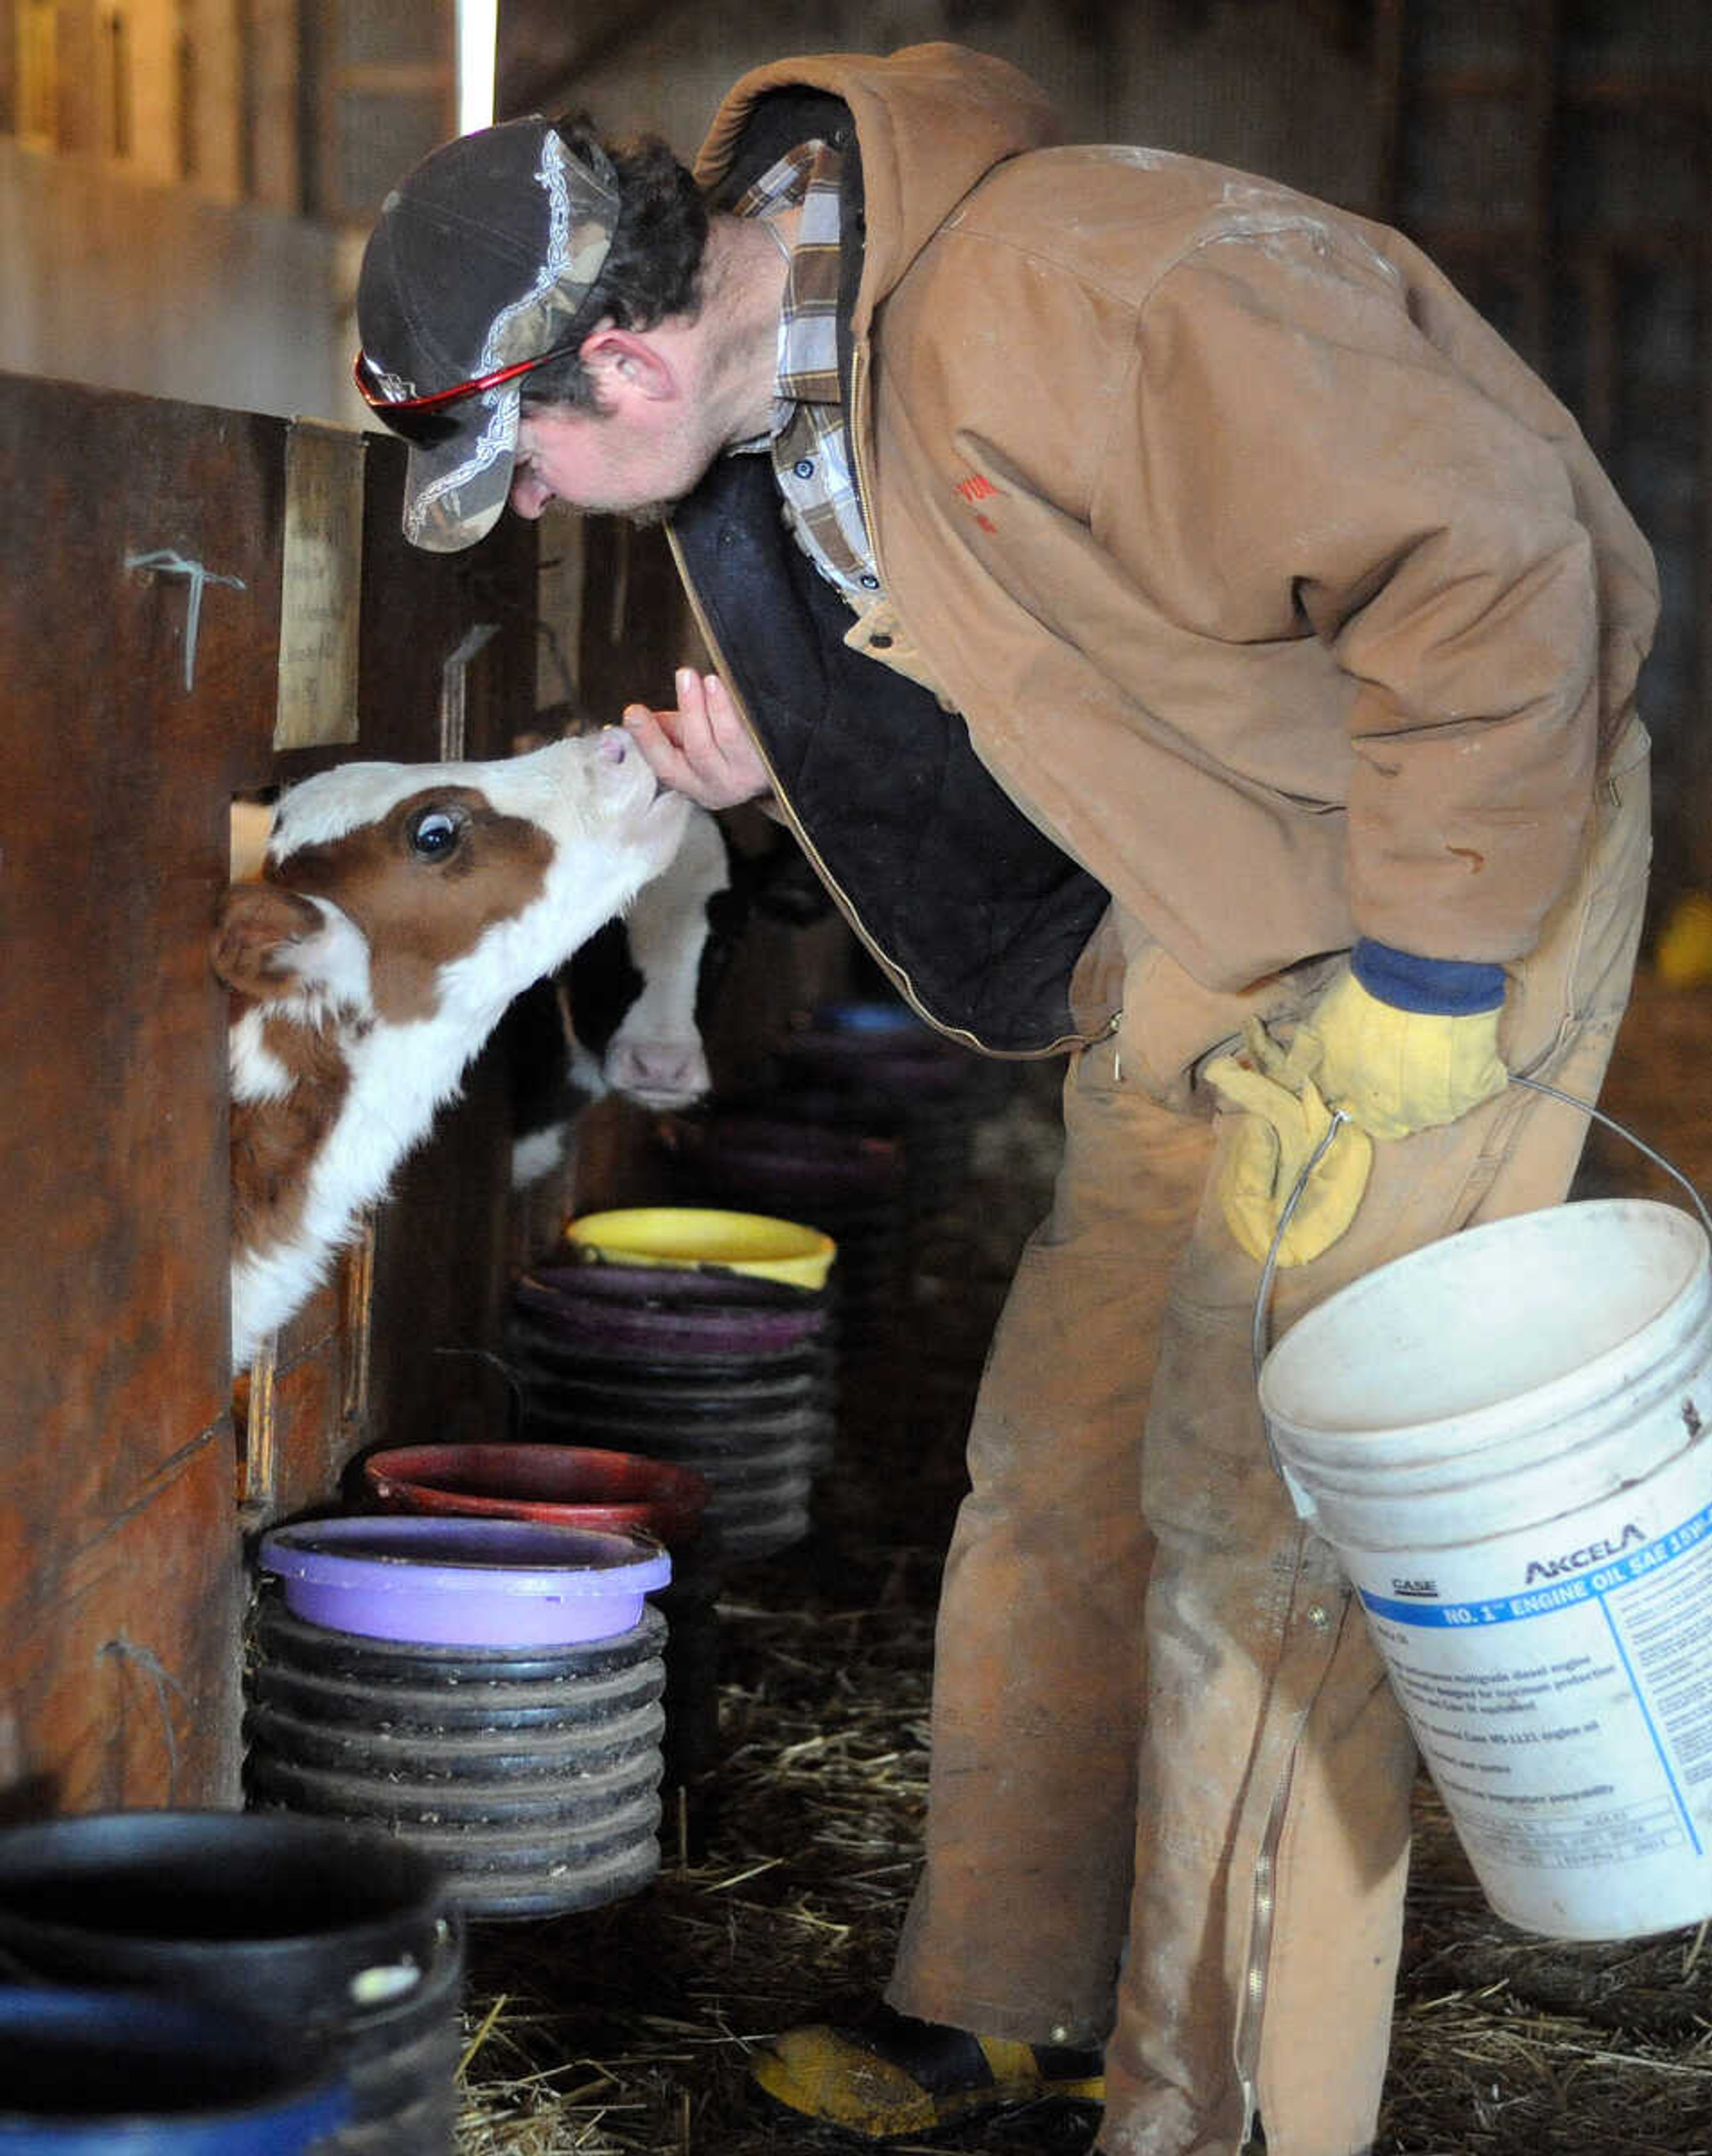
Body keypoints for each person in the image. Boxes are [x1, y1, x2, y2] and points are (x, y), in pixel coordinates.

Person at [353, 44, 1658, 2156]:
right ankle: (1013, 2011)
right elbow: (1057, 643)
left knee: (1260, 1534)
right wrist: (794, 774)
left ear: (606, 360)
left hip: (1441, 881)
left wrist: (1434, 969)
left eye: (517, 467)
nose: (528, 515)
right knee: (1053, 1469)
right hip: (1205, 908)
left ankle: (1217, 2112)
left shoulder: (1084, 290)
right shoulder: (788, 394)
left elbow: (1498, 557)